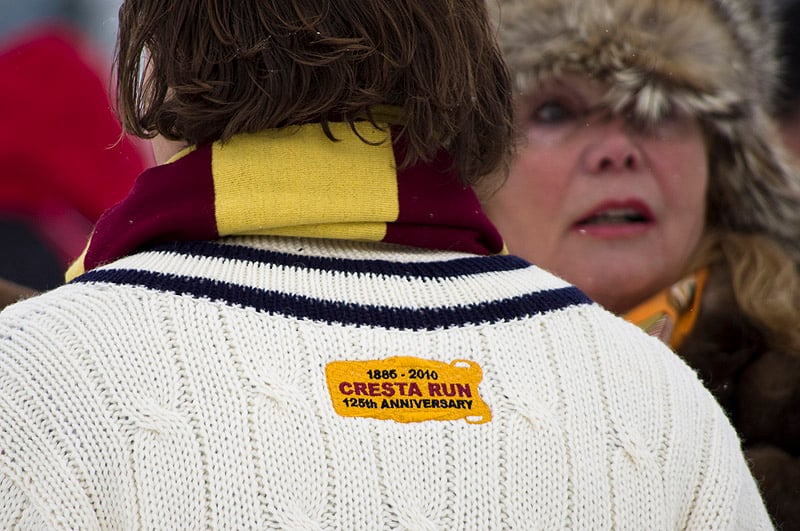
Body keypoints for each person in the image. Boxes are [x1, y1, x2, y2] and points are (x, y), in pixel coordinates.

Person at [0, 1, 772, 528]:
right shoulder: (657, 398)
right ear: (471, 66)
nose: (616, 148)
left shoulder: (37, 378)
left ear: (156, 60)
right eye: (559, 110)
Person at [479, 0, 800, 527]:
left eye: (658, 108)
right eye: (555, 110)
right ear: (470, 170)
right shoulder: (406, 387)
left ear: (721, 168)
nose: (616, 151)